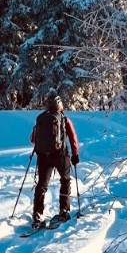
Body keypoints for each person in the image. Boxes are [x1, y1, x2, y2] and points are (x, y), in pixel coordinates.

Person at [30, 93, 79, 227]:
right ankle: (64, 210)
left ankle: (37, 213)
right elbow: (73, 138)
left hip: (43, 156)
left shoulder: (41, 118)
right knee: (65, 180)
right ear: (60, 105)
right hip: (60, 155)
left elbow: (32, 139)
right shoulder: (64, 119)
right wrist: (75, 154)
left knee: (42, 184)